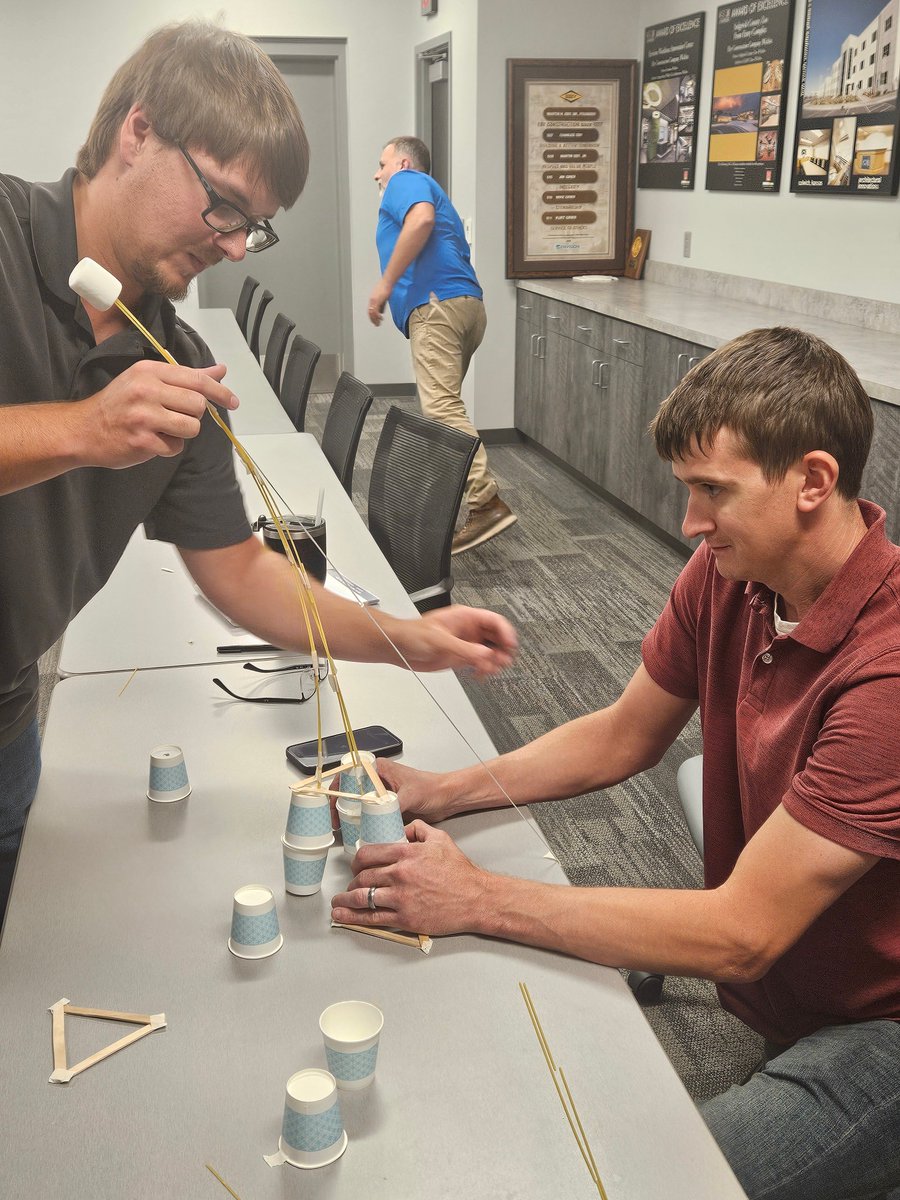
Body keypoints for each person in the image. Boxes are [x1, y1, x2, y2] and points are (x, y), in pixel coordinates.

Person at [333, 326, 900, 1200]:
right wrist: (447, 792)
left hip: (879, 1023)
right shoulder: (731, 573)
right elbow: (624, 735)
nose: (690, 522)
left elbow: (742, 934)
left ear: (814, 482)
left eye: (714, 491)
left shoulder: (887, 673)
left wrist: (477, 898)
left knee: (641, 1183)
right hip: (787, 974)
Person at [0, 22, 516, 924]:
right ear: (138, 132)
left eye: (255, 227)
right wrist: (81, 430)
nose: (236, 247)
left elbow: (239, 570)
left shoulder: (173, 360)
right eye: (225, 207)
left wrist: (409, 639)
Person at [367, 135, 516, 554]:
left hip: (437, 307)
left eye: (382, 164)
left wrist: (384, 285)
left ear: (403, 163)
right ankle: (439, 506)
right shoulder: (432, 191)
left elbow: (421, 221)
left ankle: (485, 503)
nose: (377, 174)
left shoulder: (406, 181)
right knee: (443, 413)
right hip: (465, 306)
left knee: (442, 409)